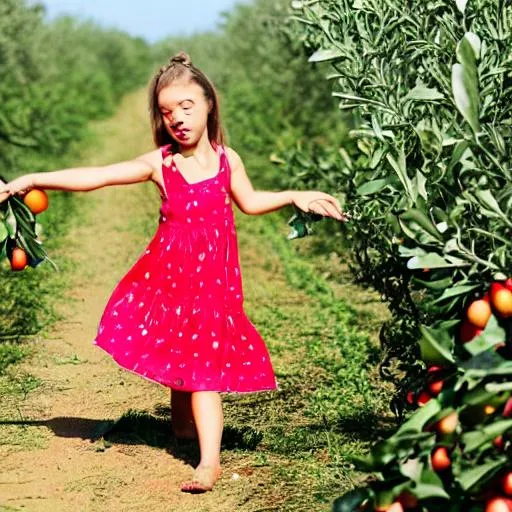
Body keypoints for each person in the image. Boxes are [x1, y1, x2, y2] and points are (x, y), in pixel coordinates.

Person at [0, 51, 348, 493]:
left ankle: (209, 463)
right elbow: (99, 175)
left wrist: (296, 195)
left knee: (201, 363)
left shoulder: (228, 160)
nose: (177, 119)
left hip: (215, 283)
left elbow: (252, 202)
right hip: (170, 278)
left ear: (208, 105)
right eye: (167, 113)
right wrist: (33, 179)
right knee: (184, 349)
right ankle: (186, 433)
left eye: (186, 107)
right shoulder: (161, 165)